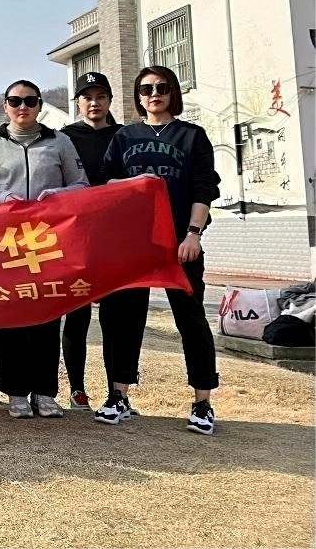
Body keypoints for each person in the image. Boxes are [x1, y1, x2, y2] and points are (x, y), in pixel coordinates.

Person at [99, 65, 221, 435]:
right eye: (147, 88)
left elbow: (204, 188)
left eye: (162, 87)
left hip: (180, 243)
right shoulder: (124, 136)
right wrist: (132, 183)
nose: (154, 94)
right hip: (135, 244)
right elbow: (106, 185)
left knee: (191, 319)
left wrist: (193, 233)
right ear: (138, 96)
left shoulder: (192, 136)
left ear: (173, 93)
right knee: (126, 318)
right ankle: (118, 395)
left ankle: (202, 401)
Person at [0, 79, 89, 419]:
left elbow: (81, 185)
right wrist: (1, 197)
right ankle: (16, 392)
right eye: (15, 101)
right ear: (4, 106)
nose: (23, 107)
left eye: (30, 101)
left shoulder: (59, 141)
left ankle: (45, 392)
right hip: (7, 243)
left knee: (47, 316)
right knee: (12, 316)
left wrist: (58, 196)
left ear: (39, 106)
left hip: (49, 243)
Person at [58, 71, 120, 411]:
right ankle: (77, 389)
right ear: (78, 102)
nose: (94, 103)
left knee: (114, 317)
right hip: (77, 238)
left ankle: (117, 390)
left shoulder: (124, 136)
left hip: (113, 239)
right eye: (87, 97)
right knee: (77, 313)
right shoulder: (65, 138)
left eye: (100, 97)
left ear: (109, 100)